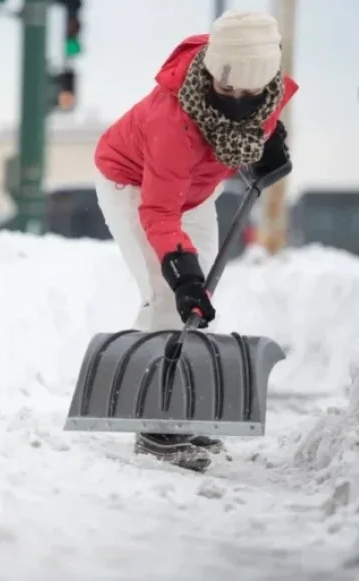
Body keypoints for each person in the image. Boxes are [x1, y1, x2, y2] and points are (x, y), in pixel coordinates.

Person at [93, 10, 298, 470]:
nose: (236, 101)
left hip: (198, 190)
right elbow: (160, 212)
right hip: (134, 183)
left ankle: (179, 409)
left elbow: (252, 128)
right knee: (171, 290)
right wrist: (181, 275)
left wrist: (267, 149)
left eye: (248, 95)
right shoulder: (174, 119)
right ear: (210, 73)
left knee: (196, 289)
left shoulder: (270, 94)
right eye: (226, 91)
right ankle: (157, 424)